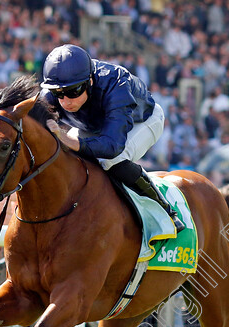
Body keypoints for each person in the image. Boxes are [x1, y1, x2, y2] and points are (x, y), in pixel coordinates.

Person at [39, 44, 184, 232]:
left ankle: (165, 211)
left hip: (141, 122)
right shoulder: (50, 95)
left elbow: (112, 145)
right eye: (58, 93)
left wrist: (68, 140)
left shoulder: (116, 84)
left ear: (90, 81)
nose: (65, 101)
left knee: (110, 161)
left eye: (73, 91)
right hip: (94, 126)